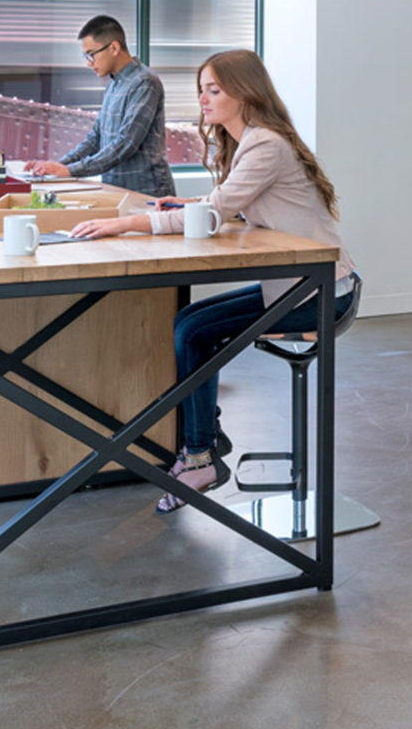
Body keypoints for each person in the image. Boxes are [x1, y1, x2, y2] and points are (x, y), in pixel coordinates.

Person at [69, 49, 357, 514]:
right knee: (189, 321)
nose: (202, 99)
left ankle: (201, 454)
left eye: (214, 89)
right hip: (295, 284)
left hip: (320, 293)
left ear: (245, 93)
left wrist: (125, 225)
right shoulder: (253, 143)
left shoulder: (264, 144)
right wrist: (182, 207)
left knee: (195, 331)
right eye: (202, 89)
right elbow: (225, 203)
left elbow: (215, 213)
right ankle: (205, 439)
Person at [24, 15, 175, 197]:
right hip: (117, 190)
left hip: (148, 193)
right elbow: (95, 139)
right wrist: (57, 166)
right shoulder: (113, 83)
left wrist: (70, 171)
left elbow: (126, 143)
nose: (89, 62)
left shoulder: (145, 83)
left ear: (114, 47)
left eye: (91, 54)